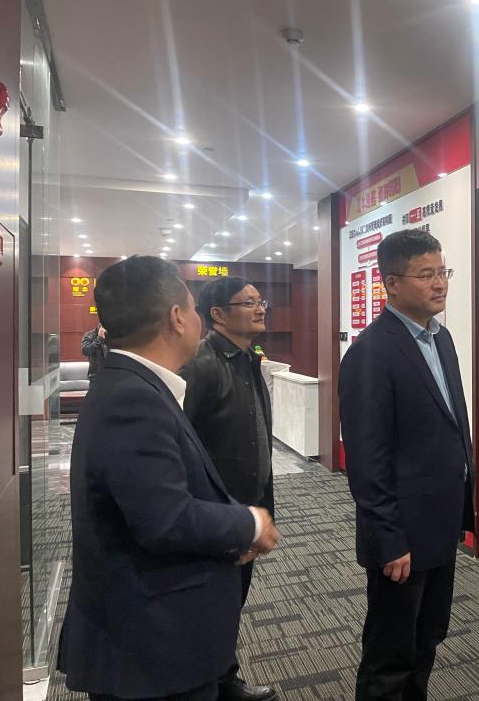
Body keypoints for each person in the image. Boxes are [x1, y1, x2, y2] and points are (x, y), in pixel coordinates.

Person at [58, 255, 280, 701]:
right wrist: (249, 522)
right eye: (194, 310)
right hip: (147, 647)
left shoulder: (133, 385)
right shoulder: (133, 398)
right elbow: (165, 519)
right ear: (178, 317)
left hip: (153, 634)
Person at [339, 229, 475, 701]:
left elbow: (452, 426)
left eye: (442, 272)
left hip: (439, 523)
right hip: (401, 534)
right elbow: (367, 459)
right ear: (391, 284)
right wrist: (389, 538)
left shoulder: (442, 340)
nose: (439, 283)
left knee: (427, 638)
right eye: (425, 275)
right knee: (390, 654)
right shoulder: (370, 353)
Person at [180, 277, 277, 701]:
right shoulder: (201, 365)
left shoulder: (246, 359)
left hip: (243, 512)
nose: (260, 309)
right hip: (216, 516)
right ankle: (213, 683)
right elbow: (182, 448)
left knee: (230, 601)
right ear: (217, 314)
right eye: (248, 303)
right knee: (211, 605)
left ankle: (222, 678)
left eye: (260, 301)